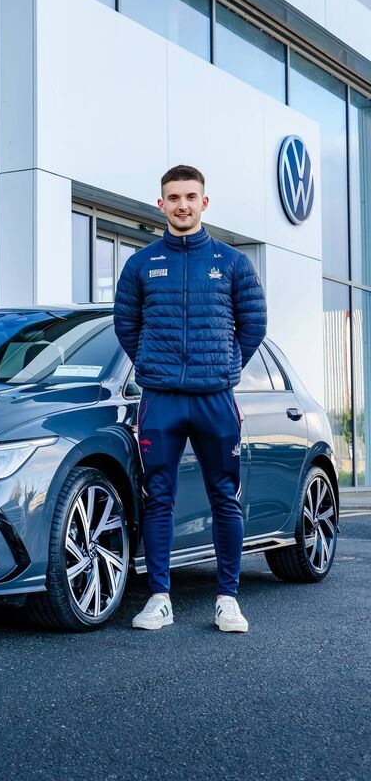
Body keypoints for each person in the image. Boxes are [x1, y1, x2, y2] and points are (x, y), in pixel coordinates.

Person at [113, 165, 267, 633]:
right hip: (160, 399)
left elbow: (254, 324)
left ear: (205, 202)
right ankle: (159, 598)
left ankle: (228, 599)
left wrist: (223, 368)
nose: (182, 204)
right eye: (173, 197)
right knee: (158, 498)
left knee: (225, 497)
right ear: (160, 205)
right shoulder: (141, 264)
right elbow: (126, 325)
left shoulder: (233, 262)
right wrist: (153, 365)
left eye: (190, 196)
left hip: (214, 399)